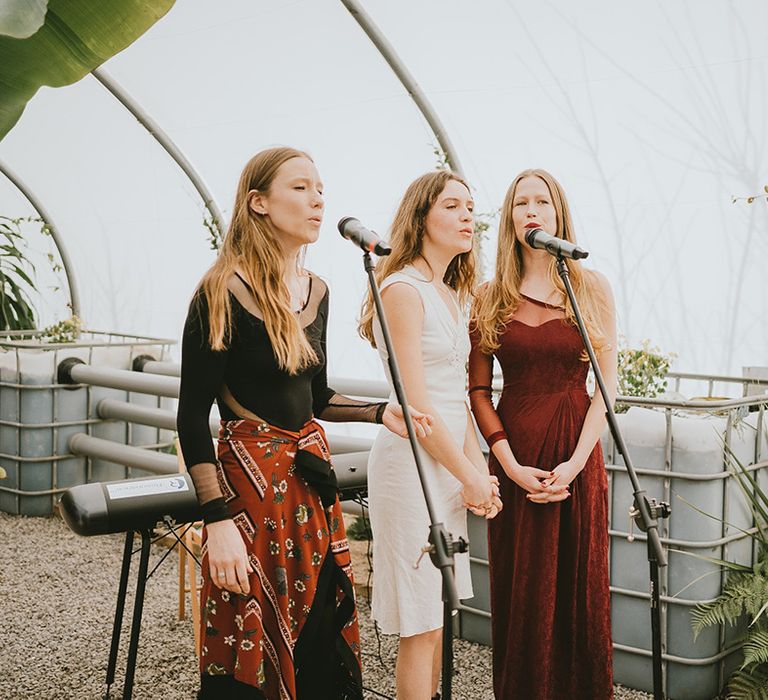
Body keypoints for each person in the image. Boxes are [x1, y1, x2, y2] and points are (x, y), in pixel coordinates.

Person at [177, 146, 433, 700]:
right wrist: (216, 522)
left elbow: (315, 397)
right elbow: (191, 416)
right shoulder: (219, 292)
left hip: (309, 489)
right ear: (258, 203)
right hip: (249, 490)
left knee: (318, 628)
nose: (318, 199)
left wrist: (378, 413)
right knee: (254, 632)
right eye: (300, 187)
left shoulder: (318, 289)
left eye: (321, 188)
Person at [468, 168, 616, 699]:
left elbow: (606, 387)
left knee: (579, 588)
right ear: (509, 219)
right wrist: (506, 464)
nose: (532, 210)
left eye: (543, 202)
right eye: (520, 203)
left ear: (559, 214)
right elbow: (479, 391)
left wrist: (576, 464)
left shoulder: (589, 287)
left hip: (577, 456)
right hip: (517, 455)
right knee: (523, 592)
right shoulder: (490, 296)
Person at [359, 170, 502, 700]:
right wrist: (469, 474)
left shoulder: (449, 292)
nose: (468, 217)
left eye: (471, 206)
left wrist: (476, 470)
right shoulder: (401, 289)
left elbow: (459, 397)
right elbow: (418, 404)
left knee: (438, 614)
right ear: (421, 217)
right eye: (452, 206)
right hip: (411, 467)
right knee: (419, 624)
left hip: (449, 465)